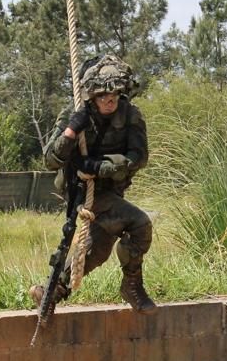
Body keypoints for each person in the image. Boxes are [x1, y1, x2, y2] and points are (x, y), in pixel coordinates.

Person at [30, 54, 156, 314]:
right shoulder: (75, 113)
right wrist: (71, 131)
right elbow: (50, 161)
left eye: (115, 95)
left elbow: (139, 157)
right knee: (139, 224)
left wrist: (103, 166)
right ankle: (132, 286)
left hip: (111, 188)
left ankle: (54, 290)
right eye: (102, 96)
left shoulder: (130, 114)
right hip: (80, 189)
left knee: (98, 249)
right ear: (91, 96)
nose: (109, 101)